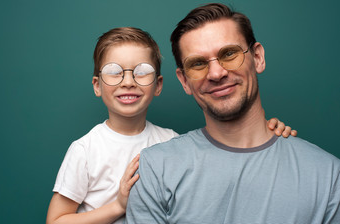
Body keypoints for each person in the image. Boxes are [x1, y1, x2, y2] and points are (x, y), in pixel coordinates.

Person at [46, 27, 294, 224]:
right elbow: (56, 221)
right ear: (97, 85)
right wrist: (119, 206)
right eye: (114, 71)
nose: (128, 82)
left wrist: (266, 131)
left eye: (142, 71)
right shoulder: (85, 149)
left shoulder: (171, 142)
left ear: (159, 84)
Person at [125, 3, 340, 224]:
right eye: (198, 64)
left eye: (229, 54)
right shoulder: (155, 168)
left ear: (257, 57)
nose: (216, 73)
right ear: (184, 81)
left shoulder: (328, 175)